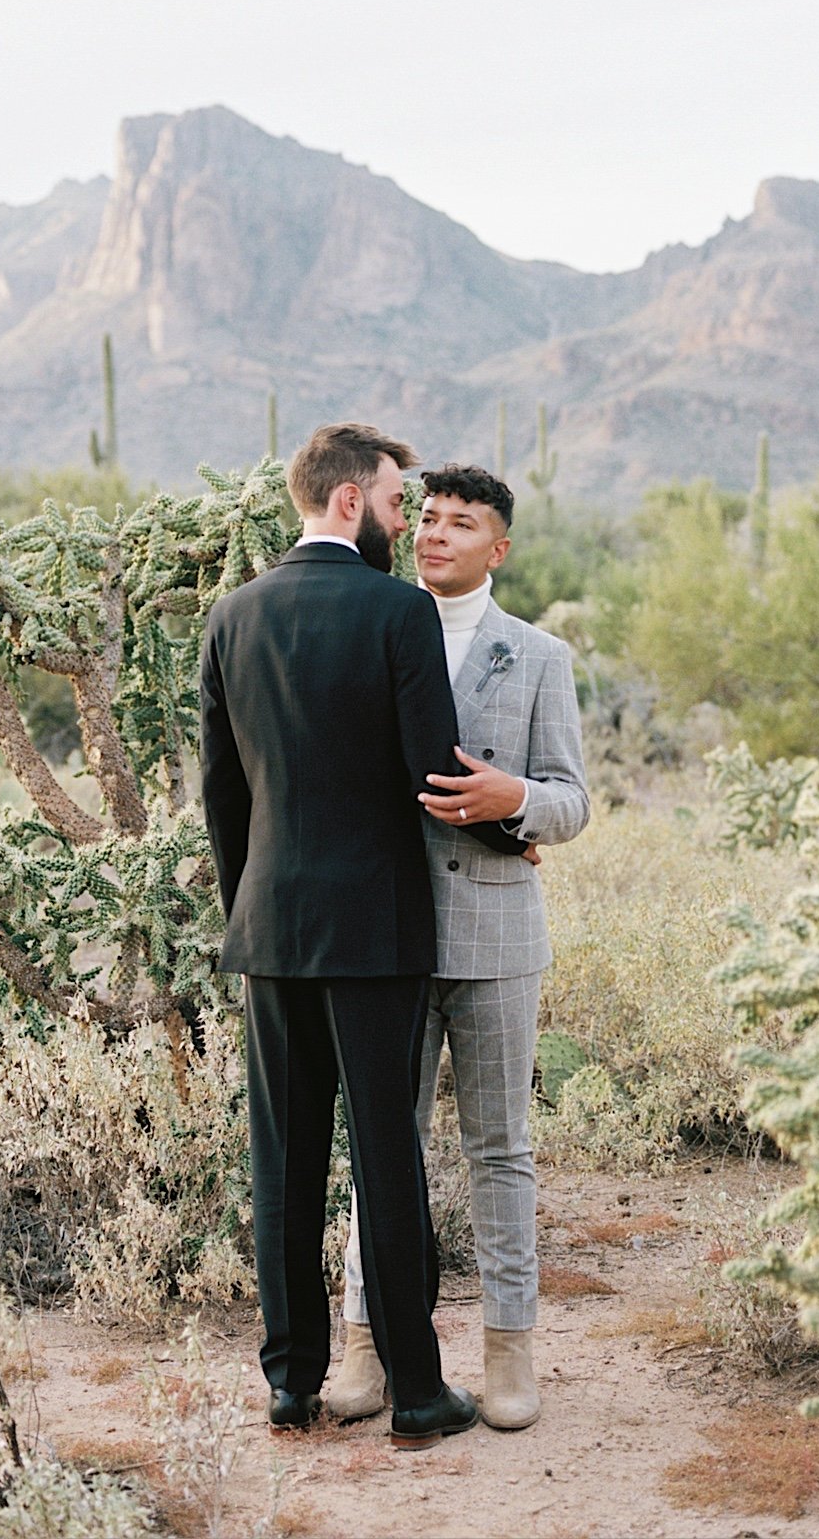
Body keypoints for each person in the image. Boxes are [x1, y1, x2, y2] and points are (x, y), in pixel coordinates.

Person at [198, 424, 530, 1448]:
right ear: (350, 501)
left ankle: (292, 1384)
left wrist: (249, 900)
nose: (405, 521)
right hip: (378, 927)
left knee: (284, 1159)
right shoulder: (398, 612)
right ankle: (420, 1395)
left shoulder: (231, 615)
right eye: (396, 501)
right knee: (386, 1157)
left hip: (270, 925)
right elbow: (434, 771)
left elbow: (220, 792)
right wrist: (511, 829)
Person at [329, 464, 590, 1433]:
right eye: (427, 516)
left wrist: (511, 798)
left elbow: (573, 798)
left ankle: (509, 1352)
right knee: (382, 1151)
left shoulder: (538, 655)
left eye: (460, 522)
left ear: (499, 545)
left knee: (500, 1149)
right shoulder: (367, 630)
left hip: (495, 930)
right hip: (385, 934)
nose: (435, 533)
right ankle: (367, 1348)